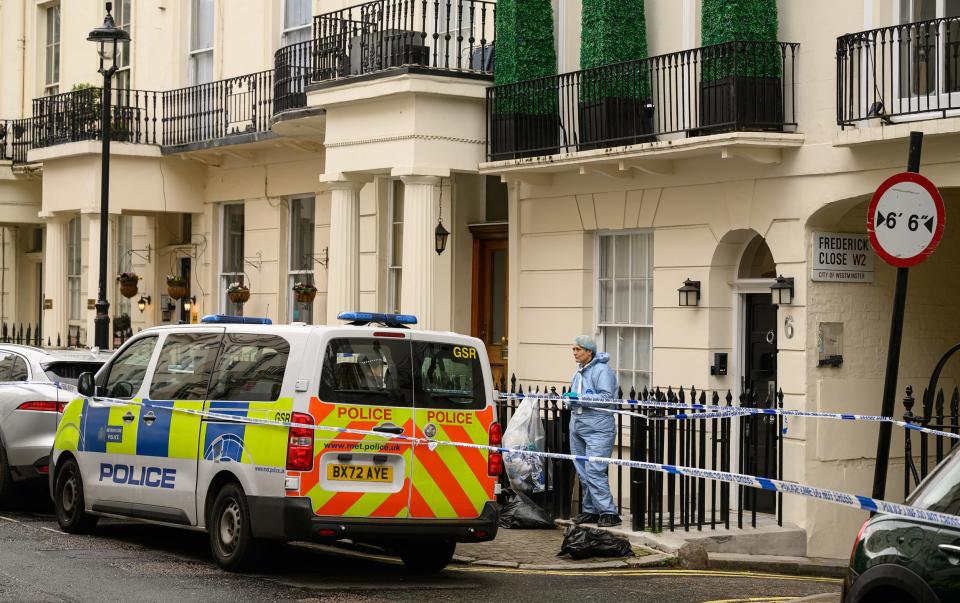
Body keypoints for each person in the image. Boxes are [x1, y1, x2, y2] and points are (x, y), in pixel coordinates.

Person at [564, 335, 621, 527]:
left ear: (589, 351)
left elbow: (607, 398)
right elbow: (575, 397)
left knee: (594, 470)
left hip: (598, 428)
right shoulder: (579, 371)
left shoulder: (602, 371)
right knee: (583, 472)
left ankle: (608, 512)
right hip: (578, 425)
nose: (574, 353)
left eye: (578, 349)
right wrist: (568, 400)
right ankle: (590, 510)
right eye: (573, 349)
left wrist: (578, 398)